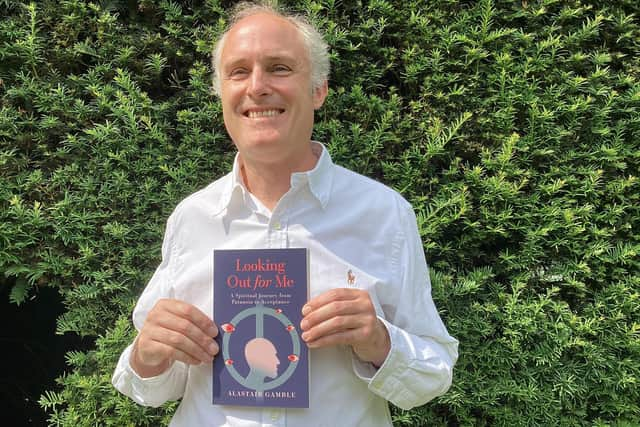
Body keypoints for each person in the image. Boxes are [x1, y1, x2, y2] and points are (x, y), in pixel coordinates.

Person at [112, 2, 458, 426]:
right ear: (221, 92)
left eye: (279, 68)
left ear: (318, 89)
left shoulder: (384, 214)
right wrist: (149, 354)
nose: (257, 86)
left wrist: (378, 341)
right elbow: (151, 386)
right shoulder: (192, 217)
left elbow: (434, 374)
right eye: (238, 71)